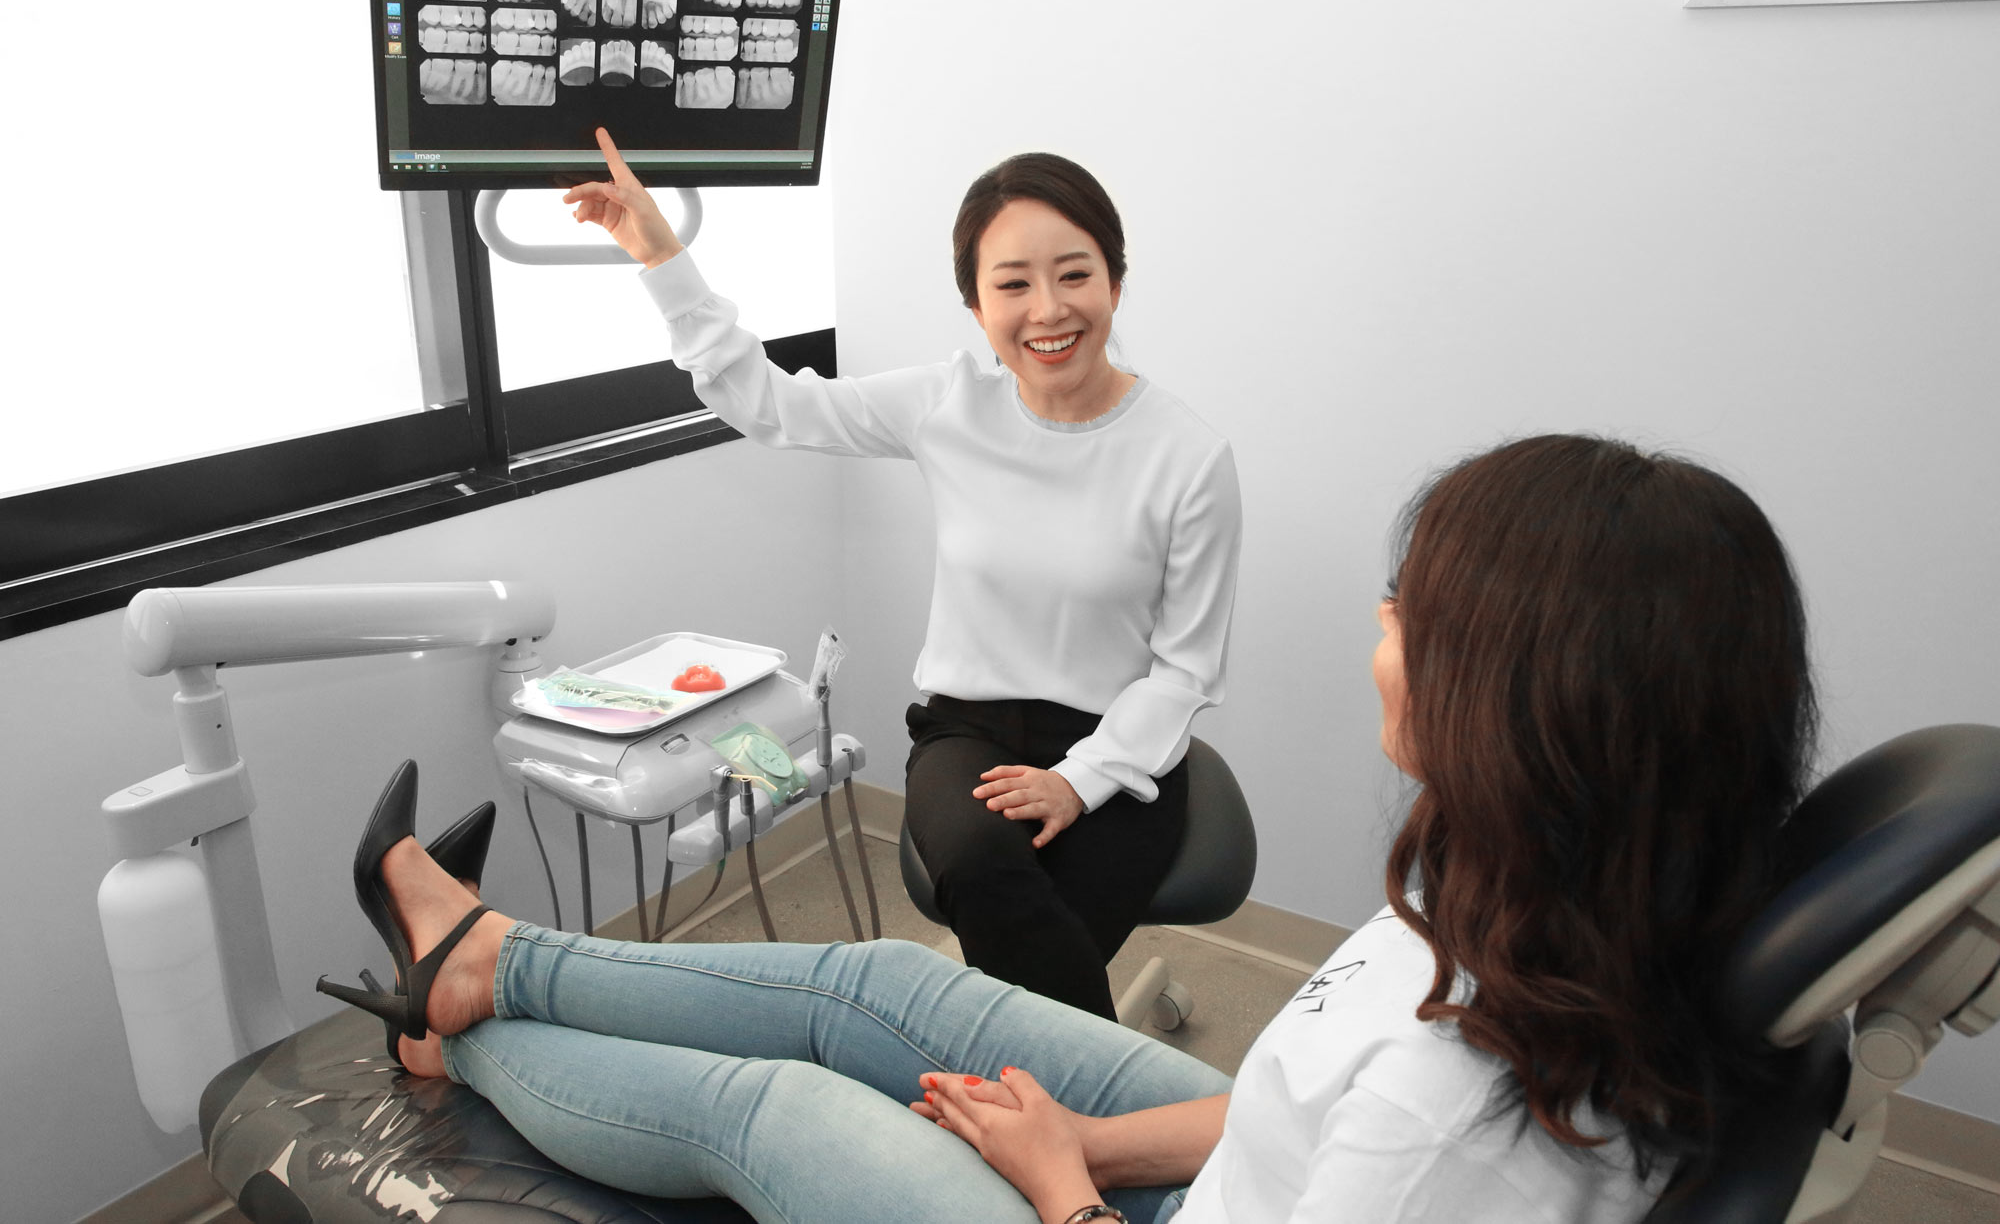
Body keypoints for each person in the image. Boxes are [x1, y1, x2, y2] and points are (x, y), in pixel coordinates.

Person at [319, 433, 1816, 1223]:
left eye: (1414, 616)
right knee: (887, 986)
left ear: (1530, 710)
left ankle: (456, 1009)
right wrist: (1093, 1131)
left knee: (769, 1108)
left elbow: (1379, 1132)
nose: (1378, 626)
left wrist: (1062, 1185)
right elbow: (1306, 1116)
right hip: (1231, 1167)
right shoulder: (1560, 905)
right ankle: (488, 953)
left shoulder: (1453, 1126)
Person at [559, 129, 1243, 1018]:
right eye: (1012, 283)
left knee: (1034, 952)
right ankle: (1108, 1121)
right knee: (991, 875)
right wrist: (663, 257)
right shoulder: (949, 404)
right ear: (974, 303)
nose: (1048, 309)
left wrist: (1078, 780)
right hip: (972, 733)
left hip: (1120, 746)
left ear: (1116, 279)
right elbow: (769, 405)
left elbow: (1186, 670)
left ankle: (1016, 1097)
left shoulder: (1189, 457)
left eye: (1075, 274)